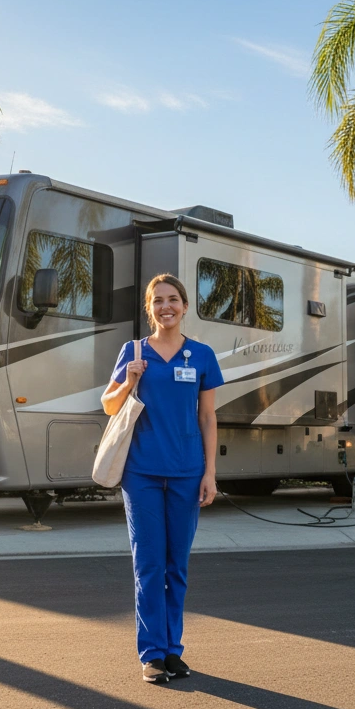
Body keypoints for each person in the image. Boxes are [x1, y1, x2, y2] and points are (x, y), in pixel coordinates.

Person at [101, 273, 223, 685]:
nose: (166, 307)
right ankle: (152, 653)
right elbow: (108, 405)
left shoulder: (202, 355)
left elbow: (207, 417)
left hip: (188, 473)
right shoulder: (133, 351)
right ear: (149, 308)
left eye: (173, 299)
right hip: (142, 473)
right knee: (149, 565)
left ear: (185, 307)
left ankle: (174, 650)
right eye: (158, 301)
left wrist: (209, 473)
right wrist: (131, 378)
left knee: (177, 567)